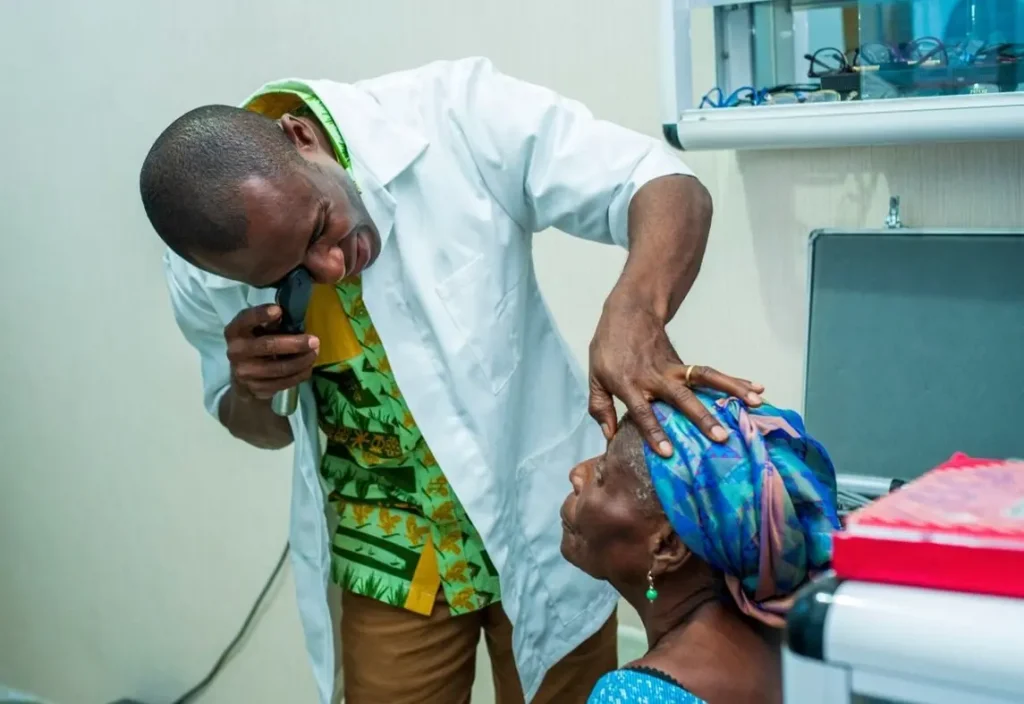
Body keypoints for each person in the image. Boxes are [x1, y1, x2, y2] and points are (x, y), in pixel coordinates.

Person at [138, 58, 766, 704]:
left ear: (301, 138)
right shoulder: (205, 270)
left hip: (548, 532)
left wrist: (635, 308)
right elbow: (252, 425)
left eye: (321, 227)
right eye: (292, 270)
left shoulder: (453, 114)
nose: (330, 266)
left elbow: (663, 182)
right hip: (392, 566)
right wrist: (251, 389)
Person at [560, 391, 841, 704]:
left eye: (601, 475)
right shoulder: (798, 645)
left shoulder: (634, 697)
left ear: (667, 546)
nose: (577, 474)